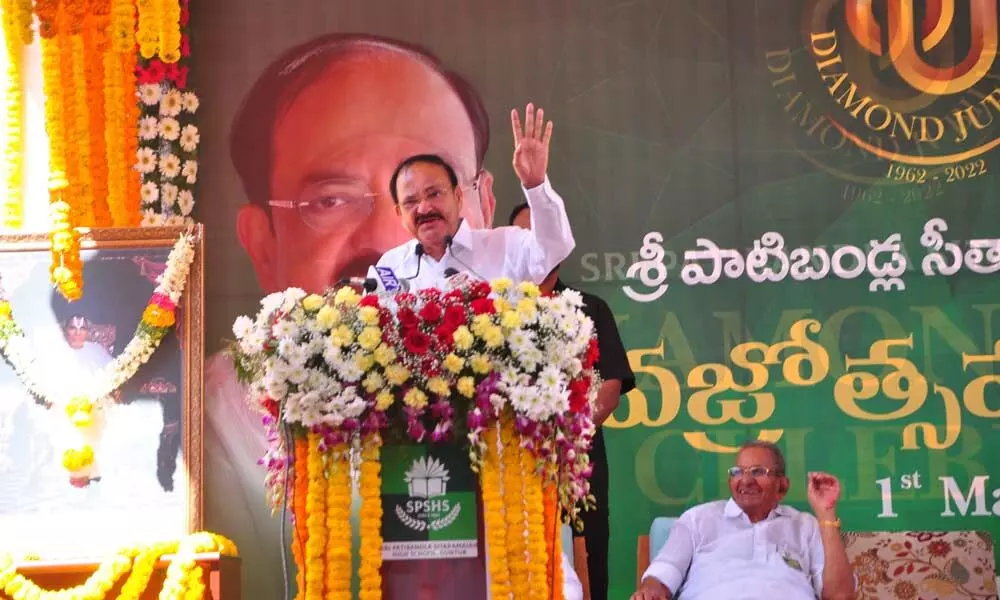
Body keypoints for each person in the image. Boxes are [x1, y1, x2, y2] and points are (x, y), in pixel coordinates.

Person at [205, 33, 499, 598]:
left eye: (431, 195)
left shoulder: (524, 384)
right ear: (262, 242)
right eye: (332, 200)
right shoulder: (212, 425)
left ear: (482, 206)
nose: (394, 239)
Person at [510, 203, 635, 600]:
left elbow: (610, 386)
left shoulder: (591, 308)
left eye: (543, 235)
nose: (536, 246)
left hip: (578, 458)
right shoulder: (491, 313)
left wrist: (565, 437)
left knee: (588, 556)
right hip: (509, 462)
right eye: (523, 238)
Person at [373, 103, 574, 289]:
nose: (424, 208)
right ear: (399, 212)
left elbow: (553, 249)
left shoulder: (506, 246)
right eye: (410, 202)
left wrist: (536, 185)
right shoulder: (389, 267)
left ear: (458, 196)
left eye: (434, 194)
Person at [632, 441, 856, 600]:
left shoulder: (805, 526)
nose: (746, 480)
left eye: (759, 472)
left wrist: (826, 513)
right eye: (738, 472)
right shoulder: (698, 519)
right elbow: (666, 569)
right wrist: (651, 588)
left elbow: (840, 595)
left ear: (782, 486)